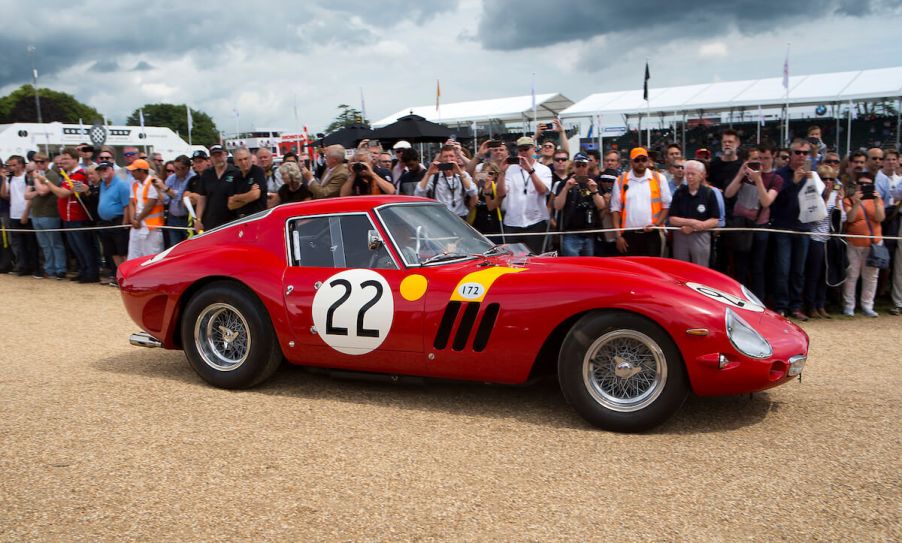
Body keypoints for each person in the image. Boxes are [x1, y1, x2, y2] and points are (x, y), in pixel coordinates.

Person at [771, 139, 823, 320]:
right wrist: (793, 182)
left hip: (804, 227)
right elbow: (777, 202)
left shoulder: (812, 175)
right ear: (791, 154)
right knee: (783, 269)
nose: (801, 156)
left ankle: (795, 306)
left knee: (799, 271)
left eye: (805, 153)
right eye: (798, 152)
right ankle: (781, 306)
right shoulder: (780, 175)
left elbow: (817, 201)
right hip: (783, 228)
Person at [724, 144, 782, 299]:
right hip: (741, 225)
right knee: (740, 266)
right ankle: (739, 299)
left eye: (766, 158)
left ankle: (759, 300)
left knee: (757, 267)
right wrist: (739, 175)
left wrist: (758, 180)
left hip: (759, 227)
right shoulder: (744, 175)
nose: (762, 162)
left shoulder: (776, 179)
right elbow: (729, 194)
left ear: (773, 157)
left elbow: (766, 202)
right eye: (758, 159)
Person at [46, 148, 99, 282]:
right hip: (68, 217)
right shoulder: (68, 175)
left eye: (66, 158)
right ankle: (83, 270)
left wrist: (45, 181)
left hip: (78, 217)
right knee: (76, 247)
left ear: (75, 160)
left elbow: (62, 193)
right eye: (62, 159)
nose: (63, 161)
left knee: (84, 247)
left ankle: (91, 272)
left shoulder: (79, 175)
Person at [610, 147, 672, 257]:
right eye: (637, 160)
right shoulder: (620, 180)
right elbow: (615, 210)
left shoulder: (659, 178)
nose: (641, 163)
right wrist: (618, 236)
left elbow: (666, 206)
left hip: (652, 234)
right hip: (629, 235)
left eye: (643, 159)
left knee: (653, 269)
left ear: (648, 161)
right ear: (631, 162)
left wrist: (656, 224)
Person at [496, 136, 553, 254]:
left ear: (533, 149)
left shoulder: (544, 169)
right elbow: (500, 193)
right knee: (512, 259)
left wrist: (530, 171)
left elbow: (542, 190)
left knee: (535, 258)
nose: (523, 152)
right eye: (520, 150)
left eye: (526, 149)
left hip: (536, 221)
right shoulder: (511, 169)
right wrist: (501, 172)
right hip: (513, 222)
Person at [804, 164, 844, 318]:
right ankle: (811, 306)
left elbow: (843, 219)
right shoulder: (813, 193)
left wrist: (839, 202)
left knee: (824, 275)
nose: (828, 181)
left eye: (831, 179)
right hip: (815, 239)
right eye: (824, 178)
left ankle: (821, 305)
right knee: (813, 274)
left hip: (829, 240)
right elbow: (814, 219)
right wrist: (825, 199)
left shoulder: (836, 195)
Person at [842, 172, 885, 317]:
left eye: (868, 184)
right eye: (861, 184)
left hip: (874, 243)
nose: (864, 186)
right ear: (856, 185)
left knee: (871, 276)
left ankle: (868, 306)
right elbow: (850, 218)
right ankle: (849, 306)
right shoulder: (849, 199)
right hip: (854, 243)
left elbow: (880, 218)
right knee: (852, 274)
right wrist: (857, 203)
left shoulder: (877, 200)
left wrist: (877, 202)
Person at [553, 152, 606, 256]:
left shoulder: (593, 182)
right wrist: (566, 189)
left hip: (588, 233)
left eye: (584, 165)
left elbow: (601, 206)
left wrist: (594, 191)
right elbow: (557, 206)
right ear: (573, 166)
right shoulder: (564, 183)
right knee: (573, 267)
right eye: (578, 165)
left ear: (588, 166)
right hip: (570, 233)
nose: (581, 168)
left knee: (588, 267)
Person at [668, 160, 720, 266]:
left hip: (701, 236)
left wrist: (698, 226)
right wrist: (691, 222)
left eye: (693, 174)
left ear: (701, 175)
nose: (689, 177)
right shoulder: (679, 193)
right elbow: (672, 219)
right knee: (681, 268)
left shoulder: (709, 193)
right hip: (681, 236)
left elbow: (715, 220)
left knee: (701, 268)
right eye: (687, 174)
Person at [26, 153, 67, 279]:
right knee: (44, 245)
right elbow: (27, 195)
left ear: (47, 162)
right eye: (36, 161)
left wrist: (37, 180)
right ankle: (49, 269)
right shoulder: (34, 176)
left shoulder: (52, 175)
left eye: (41, 161)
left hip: (49, 214)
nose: (39, 164)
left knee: (55, 243)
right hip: (36, 214)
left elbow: (43, 192)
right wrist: (38, 189)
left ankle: (60, 269)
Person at [415, 145, 476, 219]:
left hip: (460, 217)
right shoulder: (435, 176)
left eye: (451, 156)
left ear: (456, 158)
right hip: (441, 217)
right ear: (441, 158)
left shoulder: (463, 174)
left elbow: (473, 192)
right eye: (445, 156)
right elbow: (419, 193)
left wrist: (460, 173)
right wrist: (428, 174)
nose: (448, 159)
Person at [95, 161, 131, 284]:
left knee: (122, 251)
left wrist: (125, 223)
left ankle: (128, 277)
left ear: (112, 170)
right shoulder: (103, 185)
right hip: (105, 222)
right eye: (101, 170)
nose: (103, 172)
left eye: (105, 169)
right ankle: (120, 276)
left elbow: (127, 205)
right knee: (112, 251)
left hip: (118, 221)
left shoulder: (121, 185)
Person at [3, 156, 40, 276]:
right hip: (13, 214)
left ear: (21, 165)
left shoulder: (26, 177)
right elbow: (4, 194)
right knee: (19, 243)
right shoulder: (10, 178)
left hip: (26, 214)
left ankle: (35, 267)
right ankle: (23, 266)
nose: (12, 167)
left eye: (14, 165)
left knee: (31, 243)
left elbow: (29, 196)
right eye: (10, 165)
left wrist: (25, 213)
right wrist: (4, 179)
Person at [195, 145, 241, 231]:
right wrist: (198, 219)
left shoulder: (236, 173)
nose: (217, 158)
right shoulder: (207, 174)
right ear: (211, 158)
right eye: (214, 156)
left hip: (231, 221)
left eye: (219, 155)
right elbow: (202, 198)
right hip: (210, 222)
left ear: (225, 154)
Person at [127, 159, 165, 260]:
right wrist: (132, 220)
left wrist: (137, 220)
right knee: (134, 254)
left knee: (151, 256)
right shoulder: (134, 184)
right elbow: (131, 202)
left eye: (134, 171)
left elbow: (149, 205)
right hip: (137, 225)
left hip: (151, 227)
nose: (132, 173)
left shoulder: (152, 183)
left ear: (141, 171)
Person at [160, 155, 195, 248]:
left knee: (189, 247)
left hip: (187, 219)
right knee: (174, 247)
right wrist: (165, 190)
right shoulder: (172, 178)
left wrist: (165, 188)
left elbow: (179, 197)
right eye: (174, 167)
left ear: (186, 168)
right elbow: (165, 199)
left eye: (177, 168)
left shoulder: (192, 178)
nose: (175, 170)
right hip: (173, 218)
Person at [467, 163, 503, 240]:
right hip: (477, 225)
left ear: (496, 175)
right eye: (485, 173)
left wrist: (487, 191)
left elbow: (491, 207)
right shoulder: (479, 187)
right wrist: (476, 182)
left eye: (490, 173)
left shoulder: (497, 188)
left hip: (493, 226)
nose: (487, 176)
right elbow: (472, 205)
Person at [229, 147, 266, 218]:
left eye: (245, 159)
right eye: (240, 160)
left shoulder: (257, 171)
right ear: (236, 162)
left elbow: (255, 195)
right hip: (240, 219)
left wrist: (237, 197)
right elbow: (230, 205)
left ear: (250, 159)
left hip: (257, 217)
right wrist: (249, 196)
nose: (243, 162)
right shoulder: (236, 177)